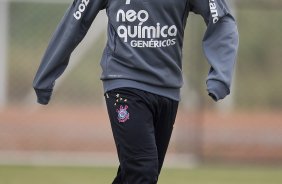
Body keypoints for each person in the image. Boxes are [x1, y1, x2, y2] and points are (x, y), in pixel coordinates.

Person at [33, 0, 239, 183]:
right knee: (143, 171)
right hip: (123, 85)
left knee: (135, 175)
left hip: (168, 92)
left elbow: (221, 19)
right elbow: (75, 20)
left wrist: (220, 76)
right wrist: (45, 77)